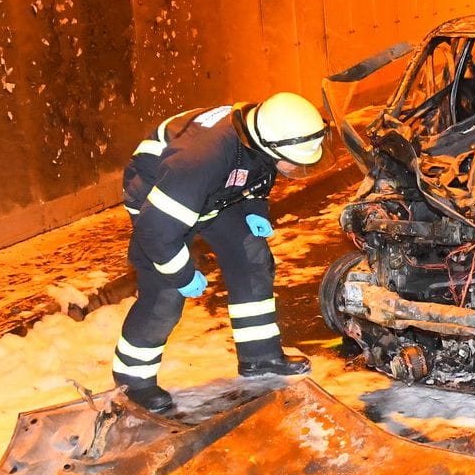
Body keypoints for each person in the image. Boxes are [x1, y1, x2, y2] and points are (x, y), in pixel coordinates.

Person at [111, 92, 328, 412]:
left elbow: (258, 173)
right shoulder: (200, 161)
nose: (295, 169)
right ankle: (134, 382)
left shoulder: (259, 133)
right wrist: (181, 274)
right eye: (294, 162)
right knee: (165, 295)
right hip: (159, 201)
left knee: (252, 260)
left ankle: (260, 357)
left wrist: (255, 206)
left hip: (216, 195)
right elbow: (156, 232)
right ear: (270, 145)